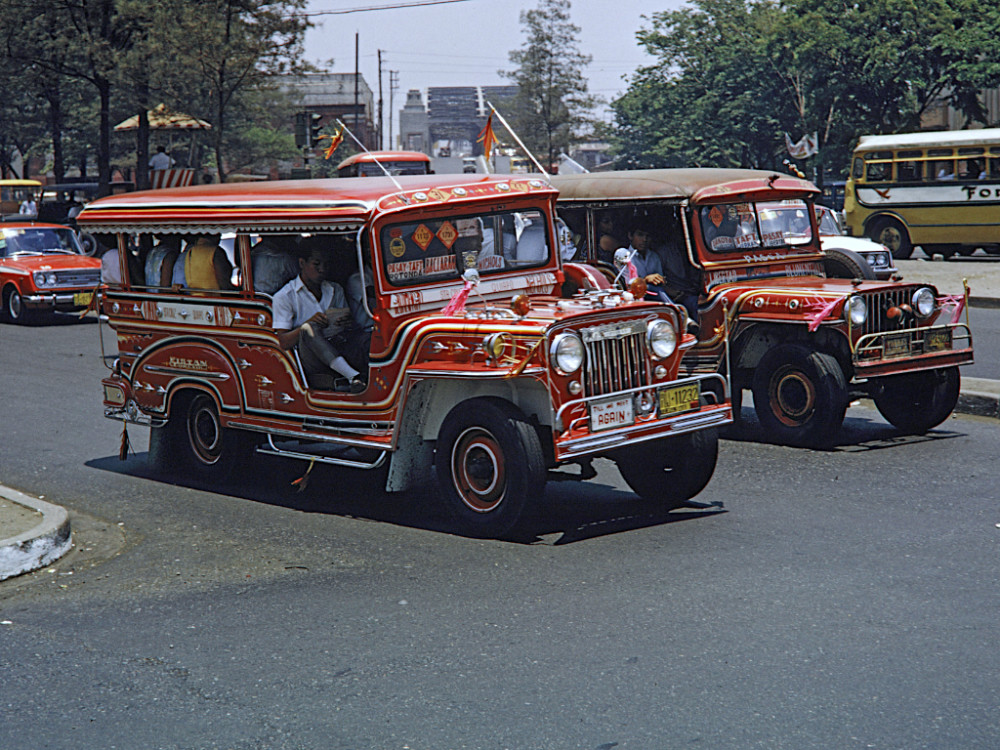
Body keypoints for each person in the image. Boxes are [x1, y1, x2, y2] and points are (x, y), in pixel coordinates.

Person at [273, 245, 364, 393]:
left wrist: (346, 322)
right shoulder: (285, 296)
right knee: (309, 329)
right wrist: (308, 323)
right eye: (316, 264)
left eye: (326, 265)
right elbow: (283, 341)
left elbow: (348, 322)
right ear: (302, 263)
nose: (322, 269)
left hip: (340, 344)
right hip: (311, 357)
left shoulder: (335, 289)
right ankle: (353, 376)